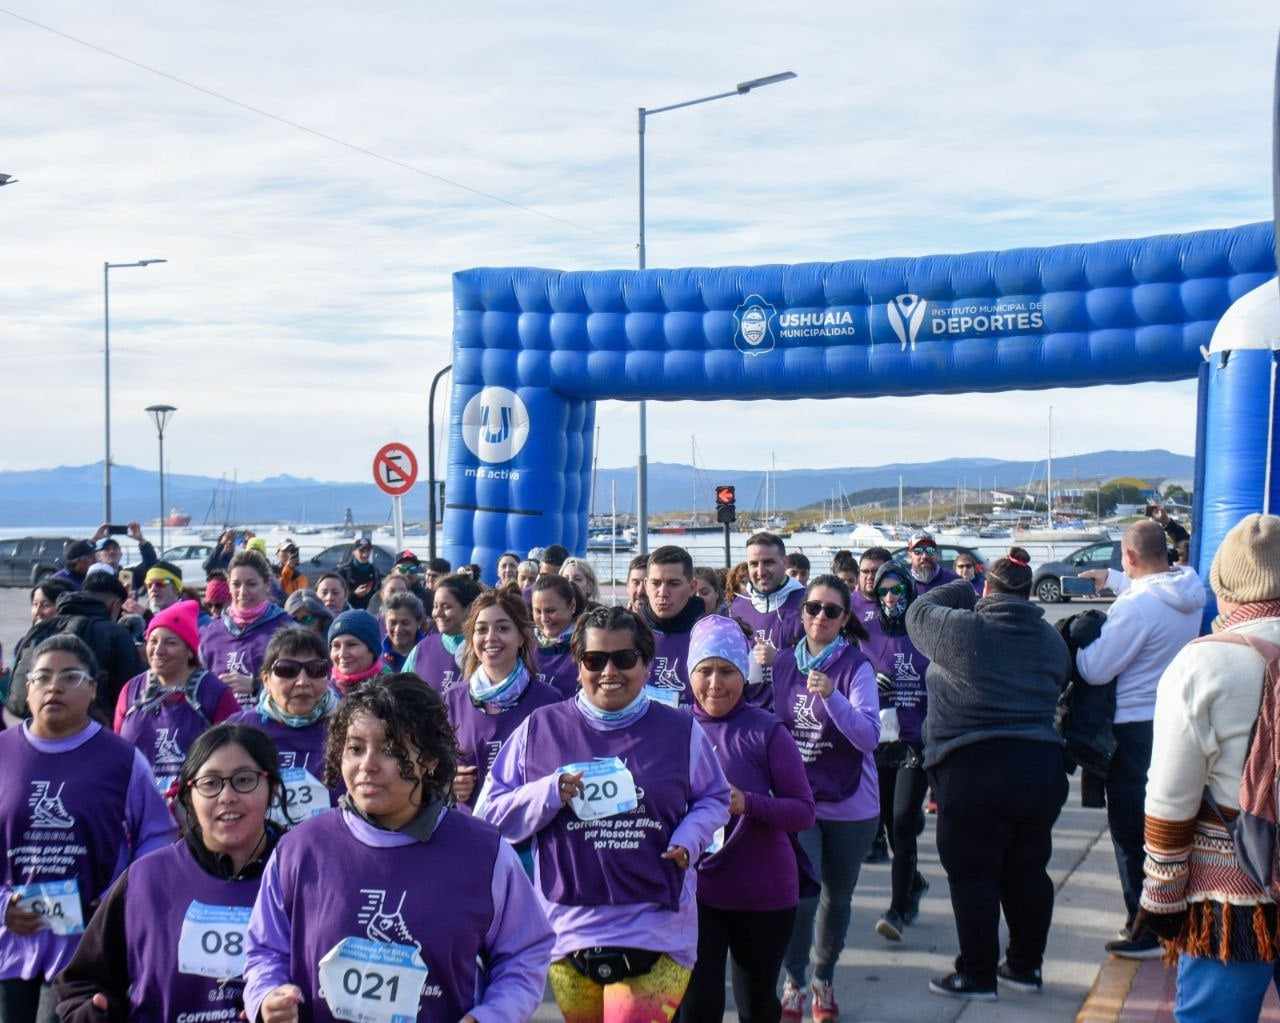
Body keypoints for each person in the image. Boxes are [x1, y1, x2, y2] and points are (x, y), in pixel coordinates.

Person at [242, 674, 554, 1023]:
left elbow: (525, 953)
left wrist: (494, 1015)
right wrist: (266, 995)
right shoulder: (300, 849)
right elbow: (264, 950)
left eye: (390, 749)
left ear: (430, 759)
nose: (367, 765)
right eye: (355, 748)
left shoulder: (484, 852)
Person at [477, 605, 730, 1023]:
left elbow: (715, 798)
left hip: (657, 925)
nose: (609, 671)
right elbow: (488, 816)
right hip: (566, 929)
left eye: (624, 659)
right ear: (578, 666)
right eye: (595, 660)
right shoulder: (540, 730)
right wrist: (548, 792)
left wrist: (690, 837)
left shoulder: (681, 730)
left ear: (647, 664)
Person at [905, 553, 1071, 1000]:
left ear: (988, 590)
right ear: (1029, 591)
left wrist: (963, 586)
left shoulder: (963, 629)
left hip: (973, 765)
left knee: (973, 874)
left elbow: (916, 611)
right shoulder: (1050, 640)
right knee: (1028, 870)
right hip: (1040, 766)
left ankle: (976, 973)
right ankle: (1024, 967)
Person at [1136, 514, 1280, 1019]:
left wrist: (1162, 900)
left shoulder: (1203, 663)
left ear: (1224, 586)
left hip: (1234, 899)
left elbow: (1170, 796)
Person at [52, 724, 283, 1023]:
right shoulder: (146, 880)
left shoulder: (302, 874)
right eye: (210, 783)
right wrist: (96, 1014)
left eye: (244, 780)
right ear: (189, 796)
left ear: (272, 788)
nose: (227, 796)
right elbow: (79, 985)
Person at [0, 636, 174, 1023]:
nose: (54, 687)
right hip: (10, 947)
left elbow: (157, 837)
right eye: (41, 677)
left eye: (70, 677)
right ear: (26, 688)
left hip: (86, 952)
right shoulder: (3, 752)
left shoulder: (123, 759)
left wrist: (119, 899)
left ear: (93, 688)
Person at [1074, 519, 1206, 958]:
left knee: (1130, 832)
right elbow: (1151, 595)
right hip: (1176, 722)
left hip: (1132, 730)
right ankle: (1170, 914)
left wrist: (1077, 641)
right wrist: (1114, 581)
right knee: (1169, 826)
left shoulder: (1137, 608)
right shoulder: (1190, 589)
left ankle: (1145, 926)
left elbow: (1096, 668)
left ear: (1130, 557)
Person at [677, 615, 816, 1023]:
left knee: (756, 1005)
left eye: (727, 671)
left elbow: (803, 811)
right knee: (697, 1009)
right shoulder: (674, 727)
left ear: (744, 674)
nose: (715, 684)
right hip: (696, 893)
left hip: (763, 892)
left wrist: (747, 803)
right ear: (690, 674)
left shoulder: (767, 730)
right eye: (705, 671)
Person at [775, 575, 878, 1022]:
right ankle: (795, 979)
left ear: (844, 619)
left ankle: (824, 977)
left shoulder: (857, 667)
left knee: (837, 898)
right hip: (800, 803)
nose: (820, 617)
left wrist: (833, 696)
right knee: (801, 897)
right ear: (802, 615)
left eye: (831, 611)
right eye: (814, 608)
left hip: (852, 803)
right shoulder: (781, 664)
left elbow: (869, 737)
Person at [861, 563, 931, 940]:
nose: (890, 598)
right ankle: (913, 881)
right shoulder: (866, 632)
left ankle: (898, 909)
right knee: (888, 823)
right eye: (884, 592)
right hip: (879, 741)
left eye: (897, 592)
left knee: (904, 821)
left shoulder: (926, 632)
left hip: (915, 743)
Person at [447, 591, 560, 813]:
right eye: (481, 629)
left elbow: (557, 776)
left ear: (521, 637)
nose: (490, 637)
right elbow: (433, 768)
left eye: (502, 628)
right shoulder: (453, 699)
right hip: (469, 832)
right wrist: (448, 782)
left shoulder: (549, 701)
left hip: (527, 837)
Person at [114, 601, 240, 795]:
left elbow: (233, 755)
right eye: (153, 641)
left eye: (170, 642)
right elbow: (118, 752)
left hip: (195, 807)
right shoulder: (131, 690)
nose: (158, 650)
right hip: (138, 805)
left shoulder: (214, 693)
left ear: (189, 650)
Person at [229, 627, 340, 828]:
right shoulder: (237, 731)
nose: (302, 682)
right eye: (287, 670)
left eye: (316, 669)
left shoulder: (348, 728)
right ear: (266, 680)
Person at [5, 573, 146, 727]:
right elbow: (131, 697)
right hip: (85, 735)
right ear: (115, 606)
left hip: (25, 727)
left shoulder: (40, 628)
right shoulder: (115, 633)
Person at [198, 550, 292, 708]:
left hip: (269, 727)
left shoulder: (287, 630)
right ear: (228, 586)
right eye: (236, 584)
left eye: (251, 584)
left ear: (267, 585)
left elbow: (299, 685)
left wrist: (256, 686)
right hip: (221, 727)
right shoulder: (211, 633)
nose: (242, 592)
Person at [730, 533, 807, 710]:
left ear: (785, 562)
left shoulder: (807, 603)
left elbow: (827, 661)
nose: (761, 571)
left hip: (795, 716)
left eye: (769, 562)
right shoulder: (737, 607)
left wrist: (779, 658)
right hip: (749, 716)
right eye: (754, 564)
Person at [637, 545, 706, 705]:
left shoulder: (709, 633)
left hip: (693, 727)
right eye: (656, 583)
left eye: (673, 584)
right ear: (646, 585)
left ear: (692, 587)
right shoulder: (629, 631)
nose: (662, 592)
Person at [403, 572, 481, 693]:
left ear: (470, 608)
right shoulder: (421, 650)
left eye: (446, 607)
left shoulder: (484, 650)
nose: (437, 613)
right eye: (435, 606)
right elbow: (400, 694)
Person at [532, 574, 588, 699]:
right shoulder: (524, 644)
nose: (544, 618)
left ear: (572, 606)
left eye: (550, 611)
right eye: (537, 611)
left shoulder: (587, 644)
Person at [327, 609, 386, 697]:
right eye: (336, 646)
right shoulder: (322, 692)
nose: (342, 653)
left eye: (351, 645)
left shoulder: (391, 692)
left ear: (373, 650)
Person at [381, 591, 427, 672]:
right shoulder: (376, 655)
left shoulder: (430, 652)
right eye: (393, 623)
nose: (398, 629)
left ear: (418, 622)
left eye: (405, 623)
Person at [850, 548, 891, 627]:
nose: (870, 577)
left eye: (876, 571)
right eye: (865, 571)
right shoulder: (846, 606)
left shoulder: (903, 606)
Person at [339, 538, 380, 611]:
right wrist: (354, 594)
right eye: (361, 551)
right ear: (354, 552)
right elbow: (338, 596)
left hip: (369, 613)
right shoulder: (344, 571)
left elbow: (378, 593)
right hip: (349, 613)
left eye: (368, 551)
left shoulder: (375, 571)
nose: (365, 554)